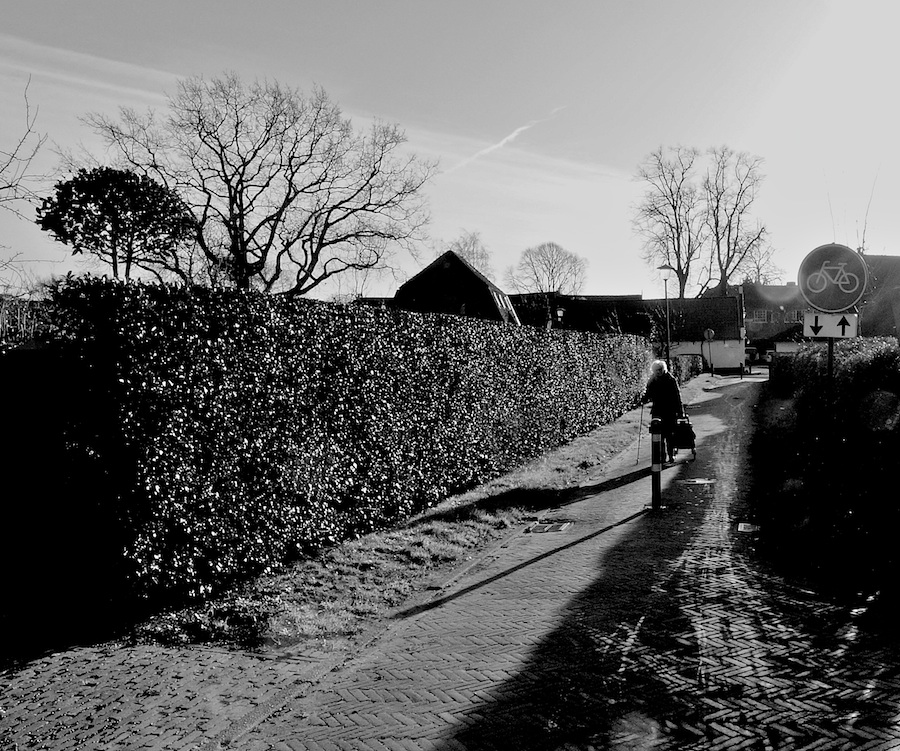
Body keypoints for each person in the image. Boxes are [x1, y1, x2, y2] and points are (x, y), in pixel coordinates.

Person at [643, 359, 684, 463]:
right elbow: (648, 394)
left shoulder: (671, 379)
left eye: (660, 369)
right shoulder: (652, 380)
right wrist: (644, 399)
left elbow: (677, 396)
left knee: (670, 434)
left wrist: (680, 411)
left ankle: (671, 454)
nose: (658, 372)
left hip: (670, 411)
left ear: (664, 369)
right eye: (656, 370)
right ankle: (662, 456)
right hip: (657, 411)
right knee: (658, 435)